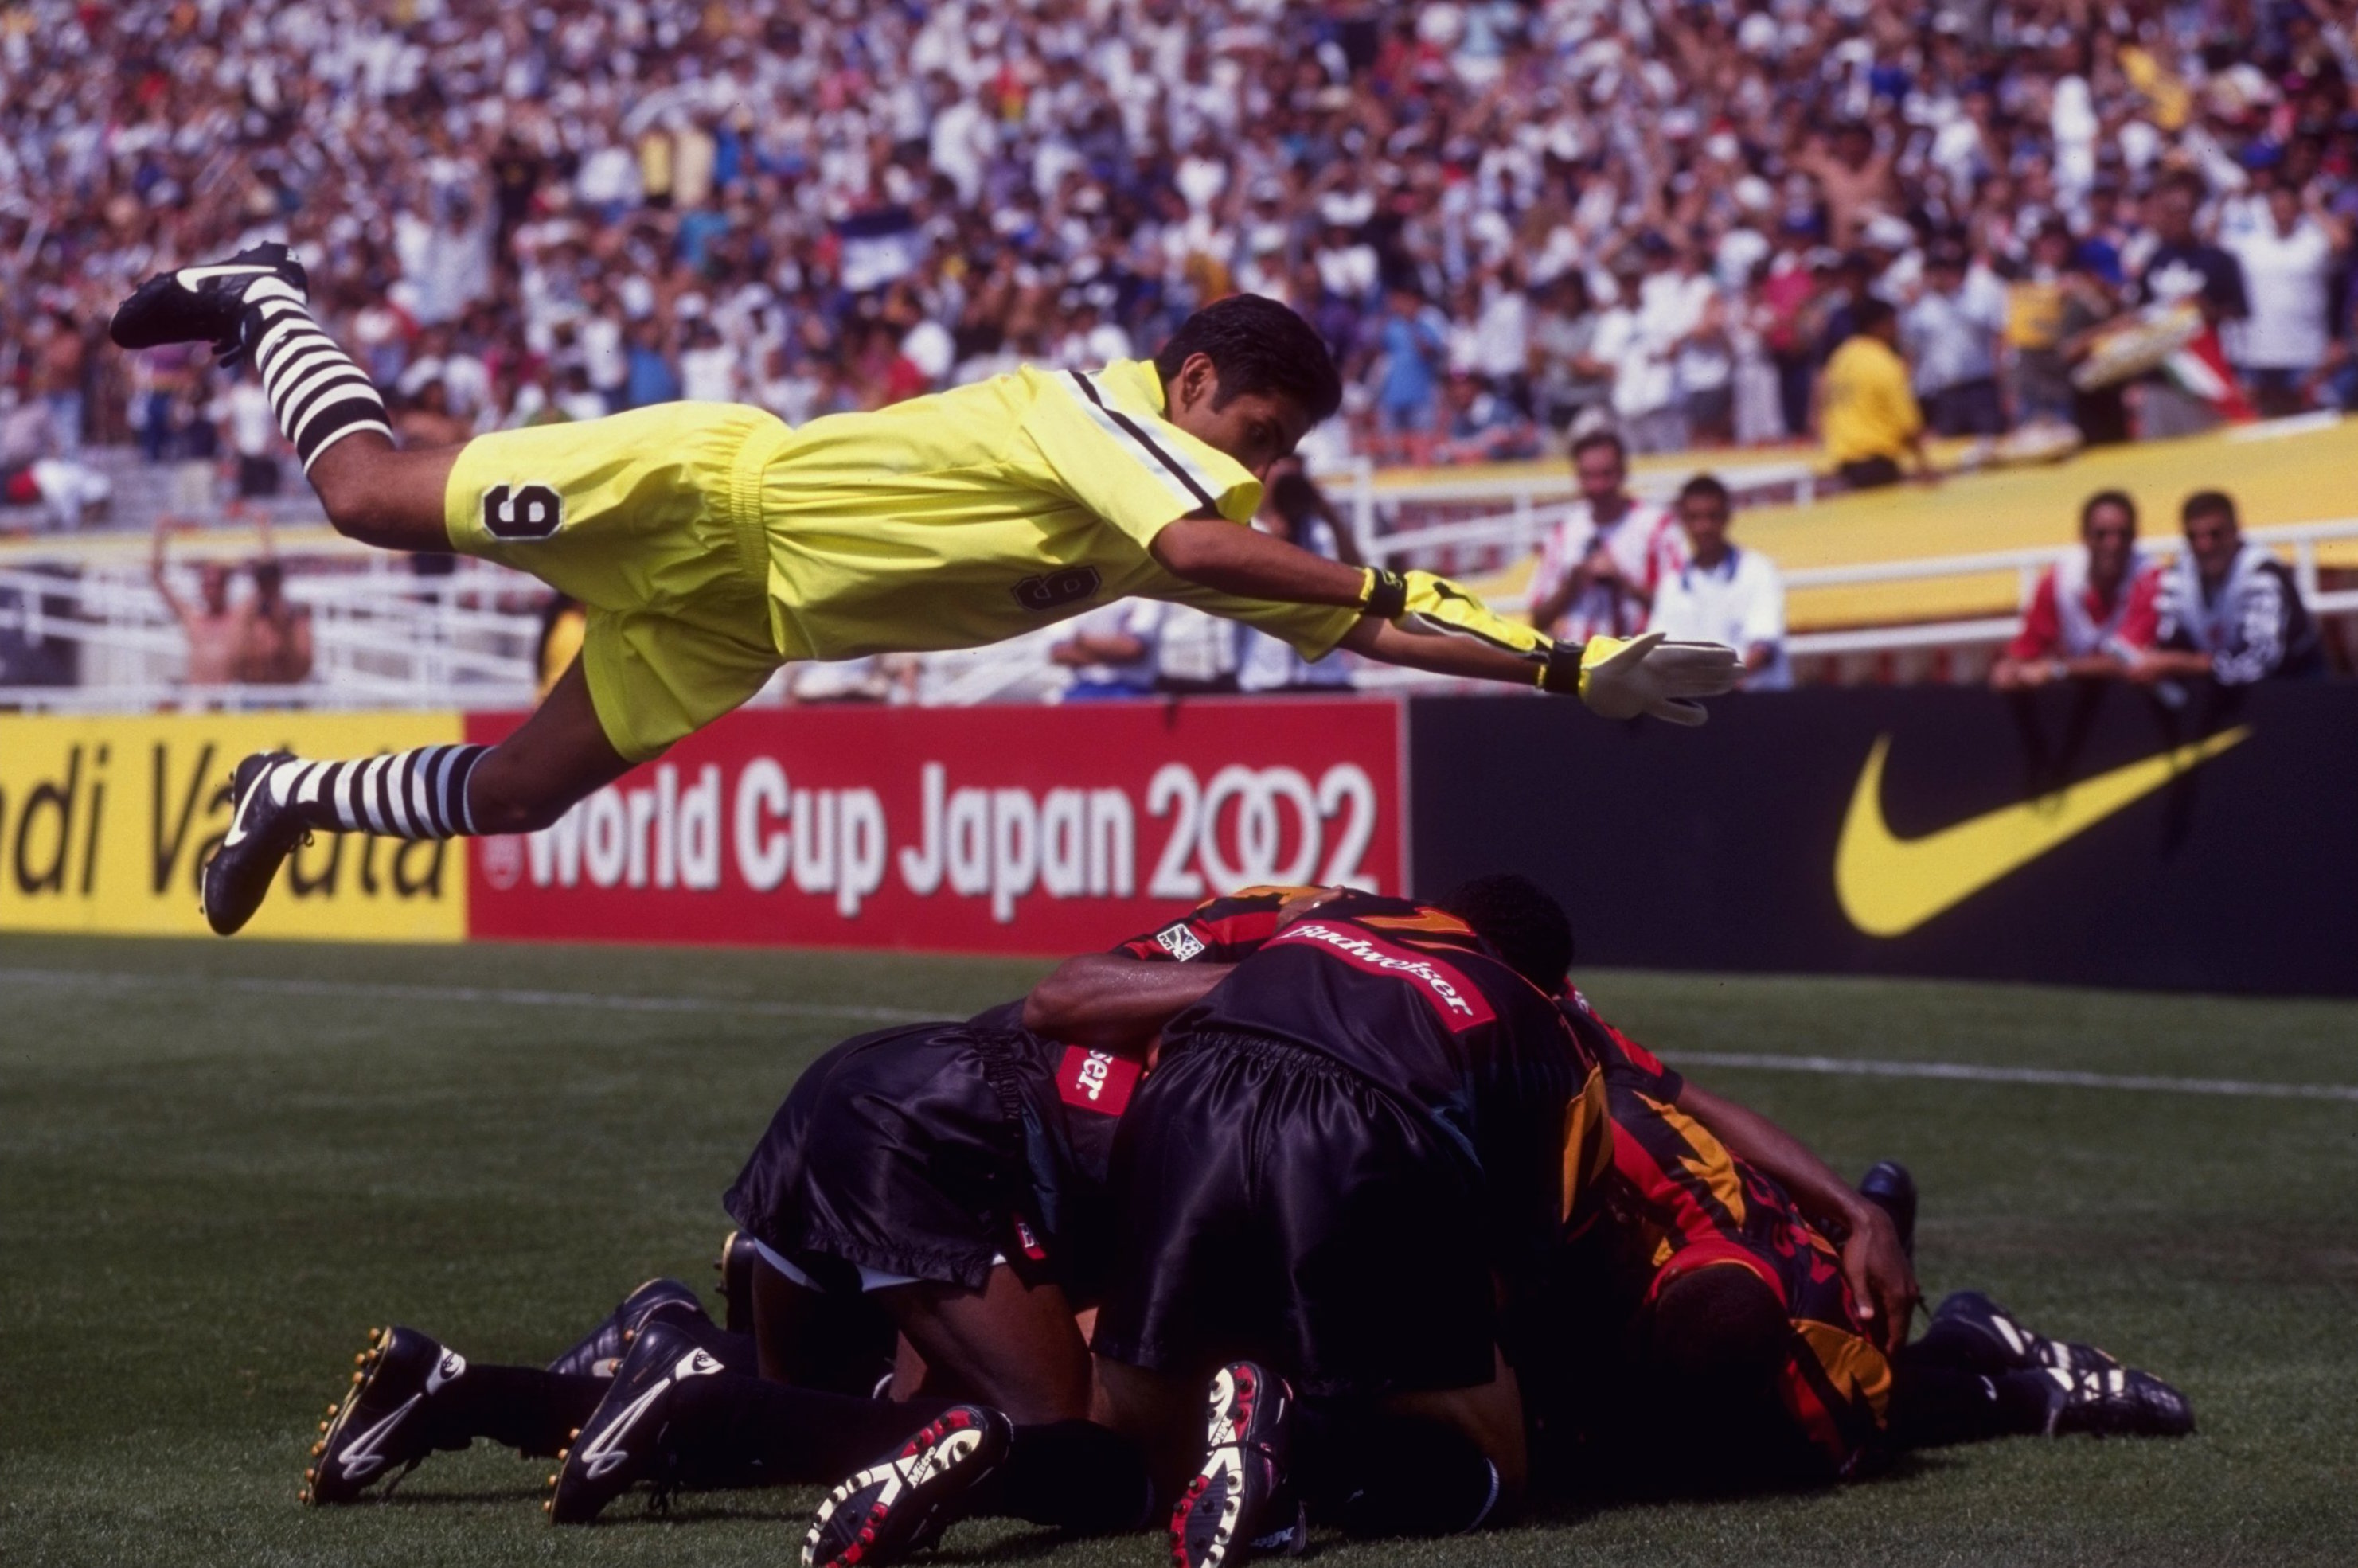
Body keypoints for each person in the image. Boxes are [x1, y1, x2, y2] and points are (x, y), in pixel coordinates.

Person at [108, 253, 1738, 937]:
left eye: (1281, 451)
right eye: (1258, 431)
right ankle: (268, 298)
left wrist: (1556, 664)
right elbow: (1233, 562)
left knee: (521, 793)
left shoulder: (1164, 505)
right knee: (365, 500)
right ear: (1191, 382)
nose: (1265, 467)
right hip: (699, 492)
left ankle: (289, 790)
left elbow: (1357, 619)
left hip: (746, 619)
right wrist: (1373, 579)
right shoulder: (1103, 427)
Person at [1528, 985, 2193, 1495]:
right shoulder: (1531, 1037)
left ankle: (2020, 1385)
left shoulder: (1551, 1033)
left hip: (1746, 1280)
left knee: (1783, 1425)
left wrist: (1860, 1217)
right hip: (1713, 1260)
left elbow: (1688, 1105)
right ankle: (1969, 1336)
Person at [2135, 490, 2321, 686]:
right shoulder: (2178, 575)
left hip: (2294, 679)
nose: (2205, 545)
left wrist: (2196, 665)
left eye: (2215, 534)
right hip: (2223, 682)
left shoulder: (2260, 574)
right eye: (2193, 536)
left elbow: (2261, 662)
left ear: (2235, 531)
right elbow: (2169, 642)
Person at [1989, 491, 2162, 690]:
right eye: (2101, 535)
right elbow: (2030, 645)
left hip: (2135, 693)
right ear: (2084, 536)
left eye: (2123, 534)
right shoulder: (2058, 581)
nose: (2113, 544)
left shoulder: (2150, 579)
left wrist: (2059, 669)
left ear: (2135, 536)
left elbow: (2130, 659)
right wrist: (2010, 669)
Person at [1528, 429, 1686, 646]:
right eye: (1588, 476)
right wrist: (1572, 585)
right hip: (1580, 658)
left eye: (1606, 474)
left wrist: (1623, 583)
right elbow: (1538, 618)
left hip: (1639, 657)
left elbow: (1683, 608)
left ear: (1623, 472)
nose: (1597, 486)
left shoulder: (1657, 527)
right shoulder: (1563, 533)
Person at [2132, 174, 2250, 439]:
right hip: (2162, 374)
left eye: (2182, 211)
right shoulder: (2153, 260)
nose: (2176, 219)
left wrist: (2207, 310)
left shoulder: (2219, 259)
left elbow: (2240, 311)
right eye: (2170, 212)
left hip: (2203, 376)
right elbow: (2141, 314)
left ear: (2195, 213)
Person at [1646, 476, 1790, 691]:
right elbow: (1660, 650)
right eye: (1694, 518)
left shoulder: (1758, 570)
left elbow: (1763, 647)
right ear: (1683, 521)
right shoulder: (1673, 583)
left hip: (1755, 698)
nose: (1704, 527)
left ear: (1727, 517)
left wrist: (1723, 684)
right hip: (1700, 700)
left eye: (1712, 516)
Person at [2221, 176, 2349, 418]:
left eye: (2288, 206)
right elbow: (2211, 241)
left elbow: (2342, 242)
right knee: (2264, 426)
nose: (2282, 212)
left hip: (2306, 352)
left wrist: (2315, 208)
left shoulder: (2313, 241)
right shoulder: (2251, 243)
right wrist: (2224, 201)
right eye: (2277, 206)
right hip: (2259, 353)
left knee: (2305, 425)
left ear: (2297, 208)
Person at [1238, 468, 1361, 694]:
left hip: (1324, 675)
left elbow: (1359, 576)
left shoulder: (1320, 532)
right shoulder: (1249, 530)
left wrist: (1329, 514)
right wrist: (1273, 535)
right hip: (1266, 676)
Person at [1817, 298, 1934, 490]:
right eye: (1893, 324)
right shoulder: (1883, 362)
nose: (1897, 330)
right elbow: (1907, 422)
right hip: (1877, 460)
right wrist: (1924, 466)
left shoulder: (1841, 358)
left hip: (1843, 460)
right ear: (1878, 326)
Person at [1902, 240, 2009, 438]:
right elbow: (1912, 352)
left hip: (1979, 387)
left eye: (1947, 269)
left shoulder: (1976, 298)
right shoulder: (1922, 309)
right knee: (1948, 445)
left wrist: (2004, 386)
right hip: (1944, 392)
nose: (1941, 275)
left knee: (1989, 442)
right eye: (1935, 270)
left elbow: (1997, 338)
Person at [149, 518, 249, 687]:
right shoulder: (192, 617)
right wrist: (161, 534)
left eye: (215, 584)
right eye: (207, 585)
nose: (211, 590)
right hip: (197, 697)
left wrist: (263, 528)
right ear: (201, 588)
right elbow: (157, 576)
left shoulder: (237, 617)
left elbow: (268, 577)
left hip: (228, 698)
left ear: (225, 586)